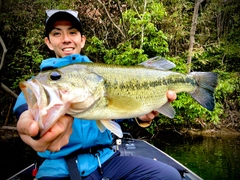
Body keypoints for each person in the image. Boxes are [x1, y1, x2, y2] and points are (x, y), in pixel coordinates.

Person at [14, 9, 181, 180]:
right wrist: (30, 129)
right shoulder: (39, 84)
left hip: (106, 161)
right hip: (56, 168)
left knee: (169, 176)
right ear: (48, 42)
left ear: (82, 40)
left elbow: (118, 114)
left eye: (72, 32)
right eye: (57, 33)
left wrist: (141, 117)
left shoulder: (100, 76)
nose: (66, 39)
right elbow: (24, 113)